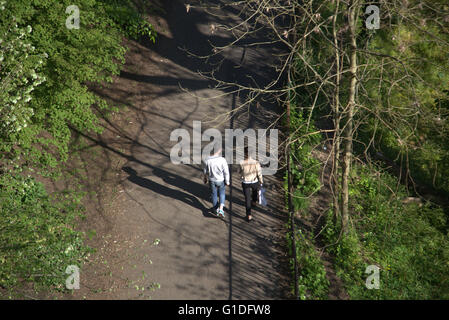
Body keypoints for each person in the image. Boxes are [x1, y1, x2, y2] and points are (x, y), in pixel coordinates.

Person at [203, 146, 230, 218]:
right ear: (219, 151)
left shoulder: (207, 159)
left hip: (212, 180)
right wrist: (227, 181)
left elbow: (205, 170)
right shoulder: (222, 160)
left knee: (214, 195)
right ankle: (221, 209)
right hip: (221, 180)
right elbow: (226, 172)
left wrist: (205, 177)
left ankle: (216, 209)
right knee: (222, 194)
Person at [239, 146, 263, 222]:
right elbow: (259, 173)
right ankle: (254, 202)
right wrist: (261, 180)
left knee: (247, 198)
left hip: (245, 182)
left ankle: (248, 214)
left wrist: (242, 174)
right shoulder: (256, 162)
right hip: (254, 181)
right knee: (255, 192)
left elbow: (239, 171)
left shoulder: (242, 162)